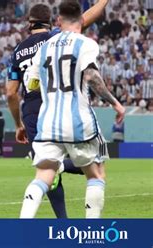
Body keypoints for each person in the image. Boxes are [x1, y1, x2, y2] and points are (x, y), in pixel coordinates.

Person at [20, 0, 125, 218]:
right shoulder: (86, 44)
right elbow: (92, 76)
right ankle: (90, 232)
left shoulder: (45, 47)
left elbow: (31, 83)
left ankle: (23, 227)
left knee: (43, 176)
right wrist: (114, 102)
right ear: (80, 20)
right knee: (96, 174)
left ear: (58, 21)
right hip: (78, 121)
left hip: (47, 123)